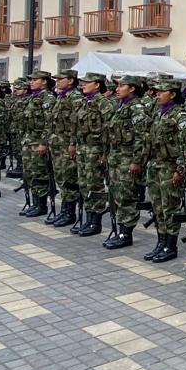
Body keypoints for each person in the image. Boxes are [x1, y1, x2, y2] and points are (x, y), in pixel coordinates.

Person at [143, 78, 186, 263]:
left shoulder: (180, 115)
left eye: (162, 91)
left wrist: (180, 170)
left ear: (173, 94)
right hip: (155, 165)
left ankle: (170, 245)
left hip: (170, 167)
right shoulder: (158, 113)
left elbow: (185, 144)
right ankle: (161, 242)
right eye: (157, 91)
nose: (157, 94)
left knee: (170, 207)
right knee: (158, 207)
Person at [102, 75, 149, 250]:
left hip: (128, 160)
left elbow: (141, 137)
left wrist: (136, 161)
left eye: (122, 86)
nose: (117, 89)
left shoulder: (137, 108)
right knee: (117, 195)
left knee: (127, 196)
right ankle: (120, 230)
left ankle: (125, 233)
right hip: (116, 158)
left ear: (132, 88)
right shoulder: (119, 106)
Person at [72, 72, 114, 237]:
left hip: (96, 151)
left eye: (87, 82)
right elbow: (77, 126)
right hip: (83, 150)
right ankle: (88, 218)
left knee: (94, 185)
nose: (83, 85)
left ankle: (95, 221)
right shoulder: (85, 102)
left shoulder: (104, 103)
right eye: (82, 82)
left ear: (97, 85)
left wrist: (106, 153)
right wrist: (74, 144)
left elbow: (110, 130)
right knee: (84, 184)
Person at [49, 70, 85, 228]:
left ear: (70, 81)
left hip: (67, 145)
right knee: (61, 177)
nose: (57, 81)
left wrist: (73, 143)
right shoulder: (61, 97)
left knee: (69, 178)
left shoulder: (75, 98)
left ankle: (70, 213)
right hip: (58, 144)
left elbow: (78, 124)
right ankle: (64, 210)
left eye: (60, 79)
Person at [21, 71, 56, 218]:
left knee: (39, 174)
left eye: (35, 80)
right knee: (30, 173)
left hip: (38, 142)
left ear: (44, 82)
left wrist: (43, 143)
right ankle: (35, 203)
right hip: (29, 141)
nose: (31, 82)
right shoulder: (33, 97)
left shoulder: (48, 98)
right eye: (31, 80)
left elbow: (49, 123)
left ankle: (41, 205)